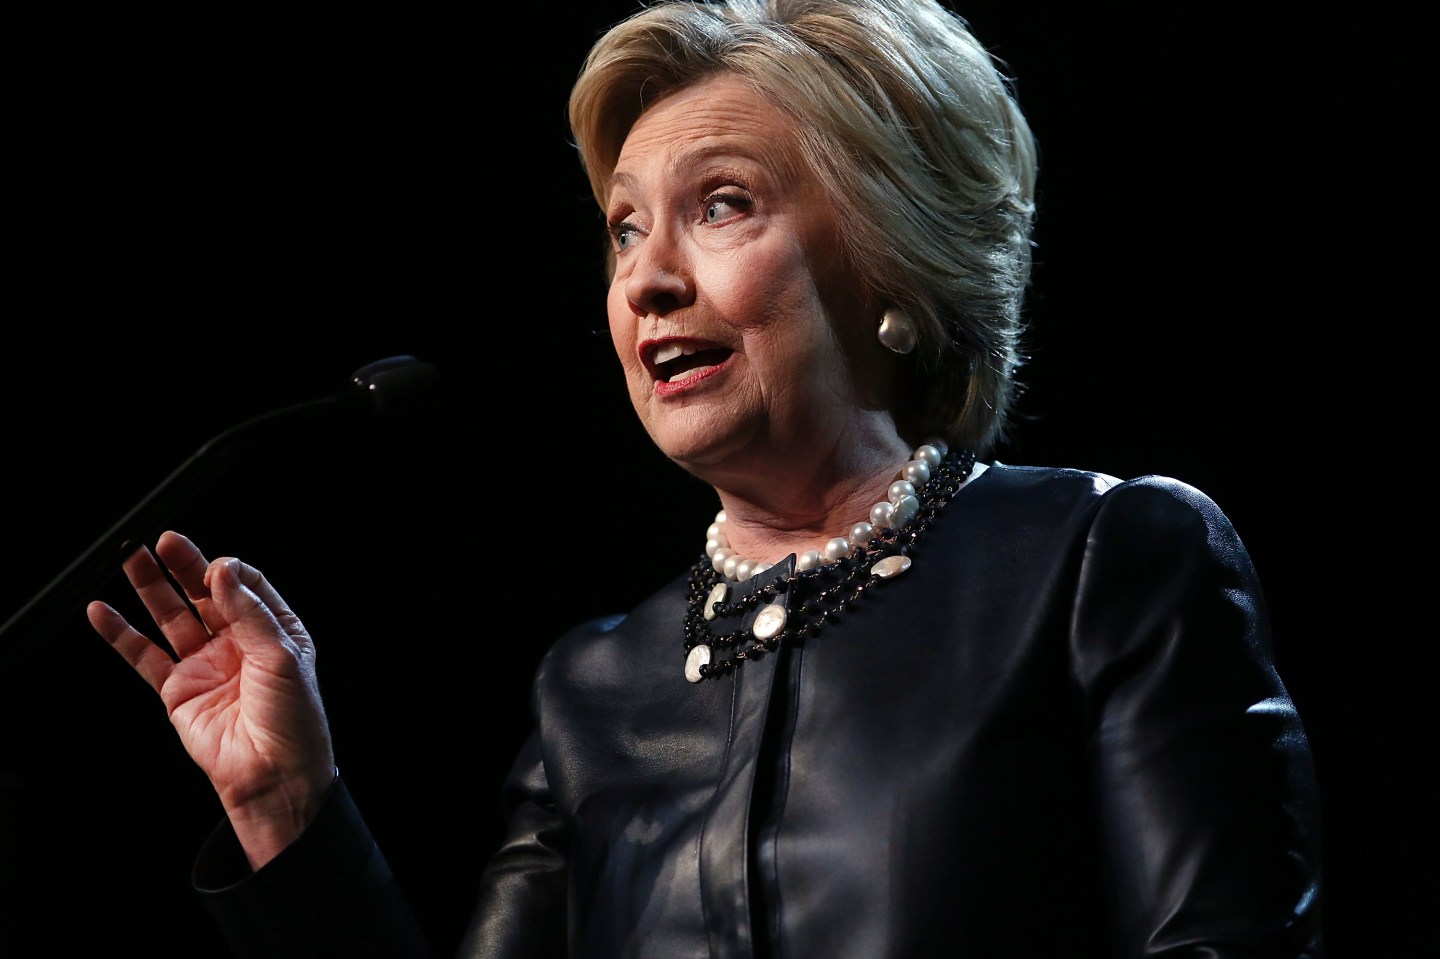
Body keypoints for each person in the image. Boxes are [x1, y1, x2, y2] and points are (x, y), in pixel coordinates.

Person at [85, 0, 1326, 955]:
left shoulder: (1098, 559)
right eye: (626, 227)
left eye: (722, 205)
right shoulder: (592, 686)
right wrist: (286, 803)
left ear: (892, 256)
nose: (646, 277)